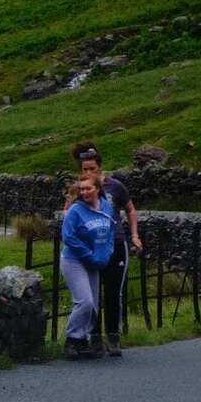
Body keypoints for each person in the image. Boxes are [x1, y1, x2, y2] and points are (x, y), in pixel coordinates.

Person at [73, 141, 141, 357]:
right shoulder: (80, 189)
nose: (88, 172)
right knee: (92, 294)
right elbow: (69, 213)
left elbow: (130, 210)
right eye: (84, 169)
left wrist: (135, 235)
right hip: (91, 247)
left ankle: (113, 337)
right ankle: (93, 338)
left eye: (92, 168)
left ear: (100, 167)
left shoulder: (115, 186)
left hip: (115, 243)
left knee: (113, 292)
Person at [57, 173, 116, 361]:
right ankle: (71, 340)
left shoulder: (106, 207)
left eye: (88, 188)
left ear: (97, 189)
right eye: (82, 189)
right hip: (74, 260)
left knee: (93, 307)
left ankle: (83, 342)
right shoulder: (75, 210)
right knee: (85, 301)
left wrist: (108, 251)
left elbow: (110, 231)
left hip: (95, 261)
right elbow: (68, 237)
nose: (85, 192)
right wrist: (88, 254)